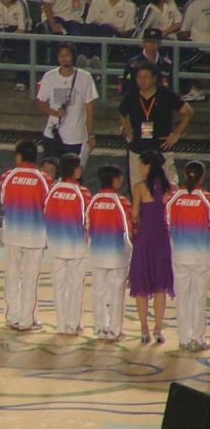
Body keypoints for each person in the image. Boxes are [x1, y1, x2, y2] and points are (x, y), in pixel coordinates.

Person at [0, 139, 52, 332]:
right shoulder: (44, 179)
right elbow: (48, 206)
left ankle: (12, 317)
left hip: (12, 233)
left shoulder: (8, 176)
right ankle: (26, 320)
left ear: (19, 156)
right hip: (35, 235)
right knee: (30, 278)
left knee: (11, 275)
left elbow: (3, 200)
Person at [118, 60, 192, 187]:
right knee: (137, 187)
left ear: (154, 78)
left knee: (170, 187)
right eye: (139, 77)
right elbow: (121, 112)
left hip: (161, 148)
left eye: (146, 77)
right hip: (138, 148)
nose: (142, 81)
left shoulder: (166, 94)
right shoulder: (131, 95)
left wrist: (176, 134)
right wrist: (127, 129)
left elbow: (188, 112)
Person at [129, 149, 174, 344]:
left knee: (141, 283)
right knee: (160, 285)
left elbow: (134, 215)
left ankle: (143, 330)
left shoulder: (139, 187)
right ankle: (157, 330)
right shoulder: (170, 187)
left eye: (141, 164)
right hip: (162, 238)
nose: (139, 168)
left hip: (145, 237)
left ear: (148, 166)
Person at [43, 153, 91, 335]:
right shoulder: (83, 193)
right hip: (77, 247)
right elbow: (88, 220)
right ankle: (73, 324)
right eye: (79, 166)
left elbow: (46, 214)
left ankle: (62, 324)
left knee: (59, 286)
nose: (81, 170)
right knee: (75, 286)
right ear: (74, 169)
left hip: (56, 246)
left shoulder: (52, 191)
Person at [166, 160, 210, 351]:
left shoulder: (174, 198)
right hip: (201, 256)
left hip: (179, 255)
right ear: (203, 176)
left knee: (182, 296)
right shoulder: (206, 198)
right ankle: (197, 338)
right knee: (199, 297)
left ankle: (184, 338)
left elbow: (167, 224)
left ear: (185, 175)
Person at [86, 163, 132, 341]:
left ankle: (100, 328)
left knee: (98, 291)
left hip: (97, 253)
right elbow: (129, 229)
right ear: (116, 180)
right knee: (117, 293)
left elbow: (87, 226)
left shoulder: (93, 201)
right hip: (118, 255)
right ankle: (114, 329)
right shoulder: (122, 202)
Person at [36, 42, 98, 166]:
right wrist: (55, 113)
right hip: (53, 134)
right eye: (61, 56)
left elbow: (89, 107)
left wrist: (90, 135)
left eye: (67, 55)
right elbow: (40, 102)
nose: (64, 59)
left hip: (76, 137)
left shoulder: (85, 77)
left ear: (73, 57)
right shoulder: (49, 76)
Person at [178, 0, 210, 101]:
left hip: (202, 49)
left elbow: (183, 32)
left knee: (178, 64)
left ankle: (193, 90)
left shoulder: (192, 5)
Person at [121, 28, 173, 95]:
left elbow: (170, 87)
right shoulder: (133, 64)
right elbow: (127, 87)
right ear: (143, 43)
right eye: (149, 41)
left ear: (160, 44)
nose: (152, 44)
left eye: (156, 42)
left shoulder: (166, 64)